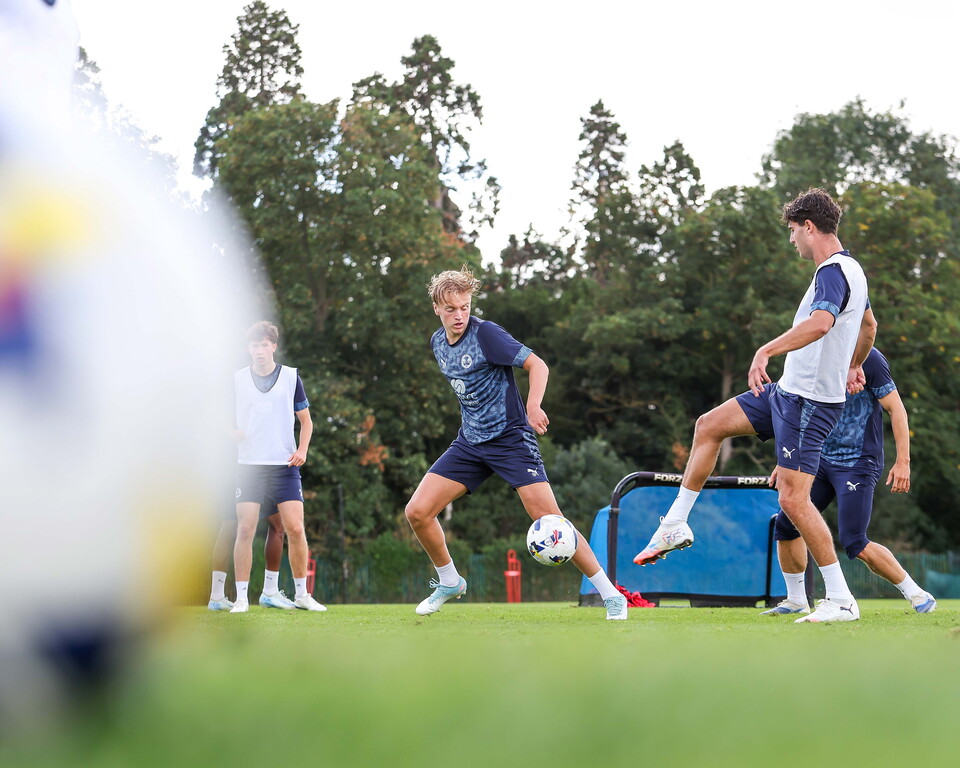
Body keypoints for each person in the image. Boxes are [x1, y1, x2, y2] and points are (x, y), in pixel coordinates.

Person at [634, 188, 876, 624]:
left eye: (792, 231)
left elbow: (821, 324)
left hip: (808, 404)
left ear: (808, 226)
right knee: (709, 425)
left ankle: (840, 599)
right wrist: (855, 364)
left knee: (793, 499)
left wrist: (766, 349)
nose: (791, 241)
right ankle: (675, 523)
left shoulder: (832, 273)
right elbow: (869, 325)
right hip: (786, 393)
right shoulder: (854, 272)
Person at [405, 267, 628, 620]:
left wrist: (533, 405)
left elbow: (538, 365)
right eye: (451, 309)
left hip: (510, 439)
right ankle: (450, 581)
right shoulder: (436, 343)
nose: (459, 315)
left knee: (552, 520)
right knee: (417, 512)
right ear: (436, 308)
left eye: (464, 307)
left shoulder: (487, 334)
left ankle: (612, 596)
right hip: (470, 443)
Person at [762, 347, 936, 615]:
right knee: (786, 525)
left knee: (854, 540)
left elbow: (897, 409)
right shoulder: (814, 353)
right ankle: (796, 601)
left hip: (857, 462)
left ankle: (917, 594)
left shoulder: (870, 360)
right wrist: (787, 461)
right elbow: (801, 412)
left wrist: (903, 462)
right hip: (817, 460)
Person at [230, 321, 326, 613]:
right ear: (249, 348)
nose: (259, 350)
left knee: (295, 528)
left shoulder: (291, 377)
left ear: (273, 346)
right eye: (254, 345)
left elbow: (306, 421)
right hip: (248, 465)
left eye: (264, 344)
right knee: (245, 529)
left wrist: (302, 450)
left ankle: (302, 596)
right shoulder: (236, 379)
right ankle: (242, 599)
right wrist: (229, 432)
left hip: (284, 466)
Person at [207, 503, 294, 611]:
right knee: (277, 525)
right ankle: (270, 592)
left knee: (228, 525)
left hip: (230, 487)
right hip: (255, 486)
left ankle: (216, 597)